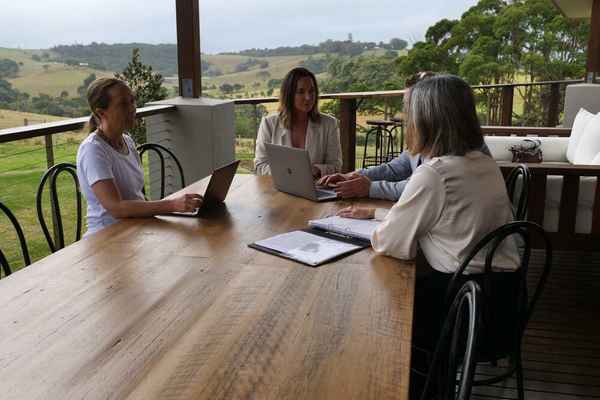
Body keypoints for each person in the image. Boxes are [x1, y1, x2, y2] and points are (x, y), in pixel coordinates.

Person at [336, 75, 520, 375]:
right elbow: (444, 221)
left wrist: (382, 225)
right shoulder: (483, 162)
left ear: (427, 120)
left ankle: (417, 386)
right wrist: (377, 215)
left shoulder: (435, 173)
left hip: (462, 313)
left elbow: (391, 243)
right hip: (505, 306)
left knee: (372, 311)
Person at [318, 71, 491, 201]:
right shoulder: (433, 140)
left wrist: (370, 188)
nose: (407, 113)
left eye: (411, 106)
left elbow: (418, 188)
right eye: (406, 105)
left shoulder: (451, 155)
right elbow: (395, 169)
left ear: (430, 109)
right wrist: (353, 176)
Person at [76, 78, 203, 235]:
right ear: (101, 113)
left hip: (134, 230)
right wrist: (172, 205)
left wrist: (178, 209)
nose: (132, 108)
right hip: (107, 238)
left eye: (132, 101)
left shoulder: (127, 141)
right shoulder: (93, 150)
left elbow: (136, 197)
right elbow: (116, 207)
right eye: (123, 104)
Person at [254, 67, 342, 177]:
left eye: (311, 91)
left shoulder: (329, 124)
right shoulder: (269, 124)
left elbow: (336, 166)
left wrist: (316, 170)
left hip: (315, 189)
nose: (308, 97)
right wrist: (289, 172)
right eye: (301, 92)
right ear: (289, 95)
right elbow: (260, 166)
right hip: (279, 189)